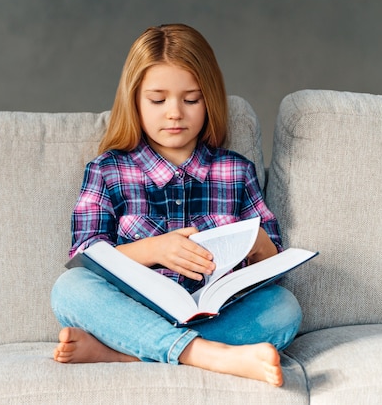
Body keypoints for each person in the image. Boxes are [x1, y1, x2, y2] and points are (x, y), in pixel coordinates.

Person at [50, 24, 301, 387]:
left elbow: (274, 261)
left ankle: (128, 354)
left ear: (209, 100)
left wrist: (261, 245)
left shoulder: (235, 170)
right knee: (69, 288)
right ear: (134, 101)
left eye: (191, 99)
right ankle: (205, 355)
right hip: (133, 312)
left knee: (284, 307)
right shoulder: (107, 170)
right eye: (158, 100)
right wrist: (155, 249)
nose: (174, 113)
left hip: (215, 314)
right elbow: (85, 254)